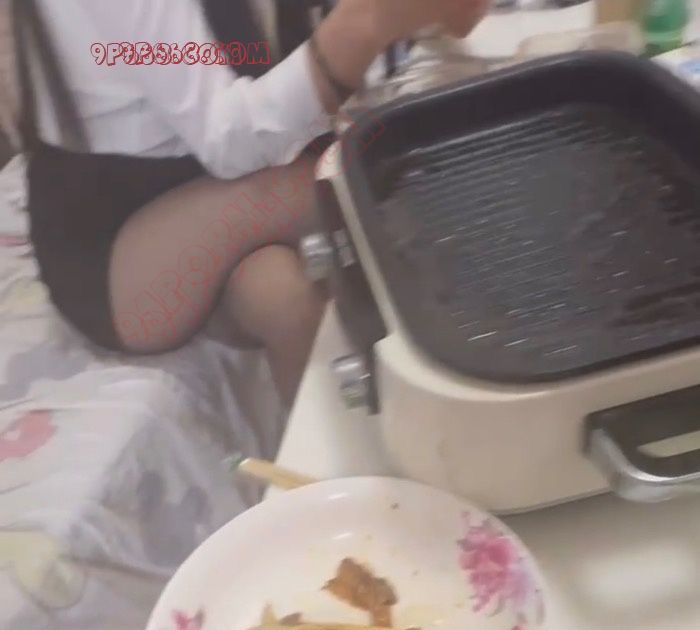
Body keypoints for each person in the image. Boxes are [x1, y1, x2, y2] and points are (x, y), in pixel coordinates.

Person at [9, 0, 489, 402]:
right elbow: (228, 137)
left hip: (206, 180)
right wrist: (365, 24)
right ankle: (488, 349)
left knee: (282, 295)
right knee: (369, 180)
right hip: (122, 252)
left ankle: (335, 476)